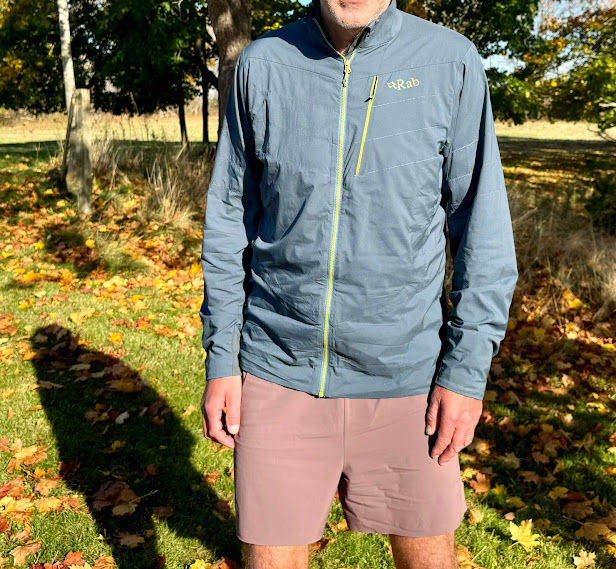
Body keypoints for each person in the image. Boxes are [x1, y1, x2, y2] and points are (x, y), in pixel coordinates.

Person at [199, 0, 518, 567]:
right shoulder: (263, 64)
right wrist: (222, 358)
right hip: (280, 375)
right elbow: (228, 223)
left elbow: (483, 231)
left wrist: (466, 374)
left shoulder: (451, 62)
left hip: (410, 383)